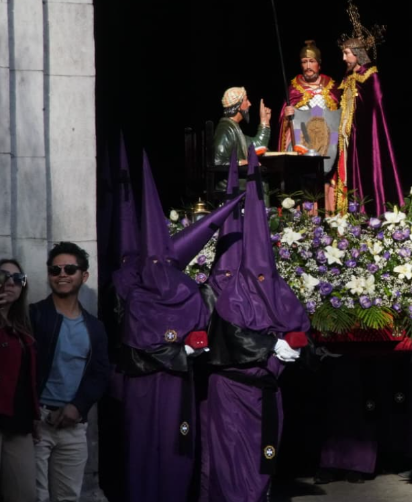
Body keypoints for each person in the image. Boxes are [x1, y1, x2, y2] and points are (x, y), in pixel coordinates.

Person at [116, 152, 243, 502]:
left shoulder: (187, 291)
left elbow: (202, 331)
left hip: (177, 386)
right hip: (143, 387)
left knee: (175, 445)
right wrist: (180, 348)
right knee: (141, 445)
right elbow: (135, 346)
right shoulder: (137, 294)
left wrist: (190, 346)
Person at [199, 145, 311, 502]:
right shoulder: (232, 295)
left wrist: (294, 350)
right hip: (232, 394)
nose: (262, 280)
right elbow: (228, 337)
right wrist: (270, 346)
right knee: (232, 463)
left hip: (266, 395)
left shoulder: (281, 293)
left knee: (262, 463)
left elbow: (301, 335)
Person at [30, 243, 110, 502]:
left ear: (83, 275)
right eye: (55, 269)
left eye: (69, 269)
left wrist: (78, 406)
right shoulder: (34, 315)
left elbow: (100, 374)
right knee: (33, 496)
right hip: (36, 422)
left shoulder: (95, 327)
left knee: (68, 498)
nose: (61, 274)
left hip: (74, 425)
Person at [335, 0, 404, 215]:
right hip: (350, 139)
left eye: (347, 53)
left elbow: (374, 110)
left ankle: (373, 212)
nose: (344, 57)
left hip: (367, 137)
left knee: (370, 172)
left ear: (358, 53)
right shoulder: (349, 78)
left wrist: (358, 127)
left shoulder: (370, 77)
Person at [0, 259, 37, 502]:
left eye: (18, 279)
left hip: (19, 421)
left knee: (25, 495)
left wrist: (34, 415)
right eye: (3, 275)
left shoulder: (23, 327)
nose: (11, 282)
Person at [278, 40, 341, 152]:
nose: (308, 66)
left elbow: (337, 119)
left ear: (319, 64)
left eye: (312, 61)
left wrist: (334, 146)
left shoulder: (332, 87)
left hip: (326, 140)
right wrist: (287, 116)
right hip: (301, 138)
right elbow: (285, 120)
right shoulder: (294, 89)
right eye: (304, 62)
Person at [213, 87, 271, 166]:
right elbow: (218, 161)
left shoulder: (234, 128)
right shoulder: (226, 129)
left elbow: (258, 146)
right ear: (238, 105)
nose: (249, 104)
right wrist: (242, 162)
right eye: (246, 100)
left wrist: (264, 120)